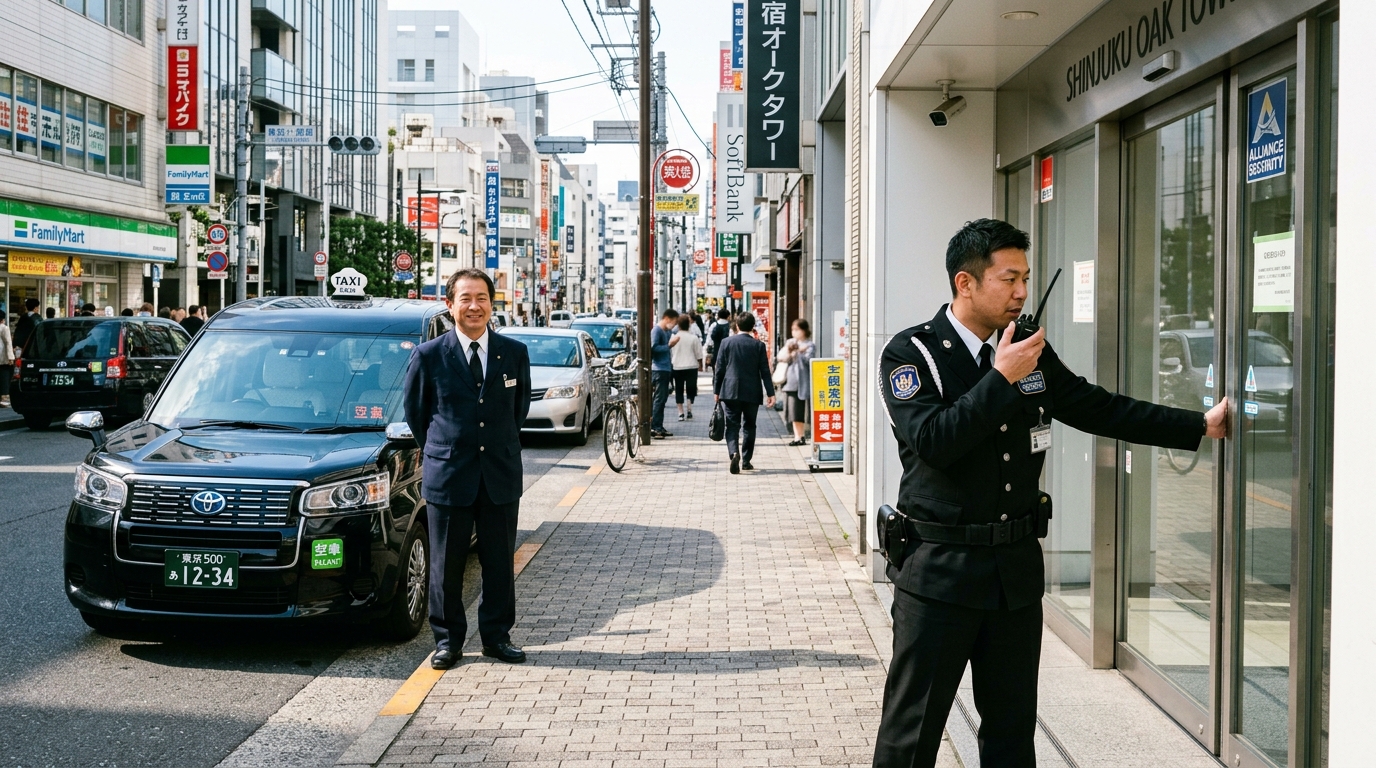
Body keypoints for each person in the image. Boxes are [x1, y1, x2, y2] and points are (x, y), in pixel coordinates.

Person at [871, 219, 1229, 768]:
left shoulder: (1026, 349)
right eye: (1009, 278)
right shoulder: (911, 353)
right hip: (939, 572)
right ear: (965, 284)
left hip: (1013, 573)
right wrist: (1001, 378)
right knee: (911, 735)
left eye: (1026, 278)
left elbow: (1098, 407)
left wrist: (1196, 426)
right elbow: (934, 442)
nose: (1021, 292)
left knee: (1012, 735)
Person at [403, 268, 533, 670]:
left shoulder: (513, 353)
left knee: (498, 563)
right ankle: (447, 642)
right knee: (446, 565)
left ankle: (496, 637)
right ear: (450, 305)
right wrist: (443, 451)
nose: (474, 306)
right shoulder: (428, 355)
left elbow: (519, 410)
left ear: (492, 304)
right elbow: (416, 414)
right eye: (465, 298)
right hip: (449, 476)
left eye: (481, 298)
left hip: (499, 474)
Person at [712, 312, 775, 474]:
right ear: (752, 327)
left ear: (737, 326)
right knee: (749, 426)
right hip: (752, 392)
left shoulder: (726, 343)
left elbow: (719, 370)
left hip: (730, 391)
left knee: (732, 426)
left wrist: (716, 391)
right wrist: (770, 393)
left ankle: (734, 453)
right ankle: (746, 461)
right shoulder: (758, 345)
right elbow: (765, 371)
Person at [777, 318, 815, 446]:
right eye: (793, 329)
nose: (794, 332)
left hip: (803, 381)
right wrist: (791, 351)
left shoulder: (810, 345)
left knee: (801, 411)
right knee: (792, 411)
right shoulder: (790, 342)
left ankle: (801, 436)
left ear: (804, 330)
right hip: (790, 381)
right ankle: (797, 436)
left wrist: (800, 352)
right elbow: (780, 358)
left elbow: (810, 361)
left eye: (797, 329)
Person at [648, 308, 680, 438]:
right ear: (667, 319)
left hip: (665, 368)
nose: (674, 325)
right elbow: (653, 348)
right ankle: (655, 427)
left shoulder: (667, 331)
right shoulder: (657, 331)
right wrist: (669, 345)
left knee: (662, 399)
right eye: (673, 322)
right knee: (659, 399)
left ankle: (659, 425)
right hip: (659, 369)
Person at [670, 315, 704, 421]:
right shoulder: (694, 338)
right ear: (689, 325)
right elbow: (699, 353)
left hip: (677, 366)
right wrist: (700, 364)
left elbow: (671, 352)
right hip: (691, 366)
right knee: (691, 388)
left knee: (679, 389)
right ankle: (689, 410)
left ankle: (680, 413)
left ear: (678, 325)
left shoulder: (674, 337)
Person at [0, 313, 14, 408]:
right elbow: (8, 343)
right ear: (2, 319)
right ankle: (4, 398)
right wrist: (10, 357)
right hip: (3, 356)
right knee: (5, 376)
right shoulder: (4, 328)